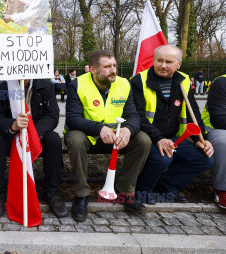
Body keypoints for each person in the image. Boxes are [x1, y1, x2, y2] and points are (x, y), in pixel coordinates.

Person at [65, 49, 151, 222]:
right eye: (107, 67)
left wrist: (128, 130)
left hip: (116, 138)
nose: (113, 70)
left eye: (114, 66)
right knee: (74, 139)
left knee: (143, 139)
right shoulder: (77, 84)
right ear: (93, 69)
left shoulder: (124, 84)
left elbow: (133, 114)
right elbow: (73, 119)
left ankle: (125, 191)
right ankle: (81, 194)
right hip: (89, 136)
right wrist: (99, 129)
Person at [132, 45, 214, 204]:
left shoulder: (183, 80)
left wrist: (201, 139)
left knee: (205, 159)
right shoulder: (138, 81)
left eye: (168, 61)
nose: (163, 65)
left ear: (179, 64)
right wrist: (159, 138)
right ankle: (142, 190)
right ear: (154, 61)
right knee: (163, 159)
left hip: (176, 137)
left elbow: (193, 113)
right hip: (148, 137)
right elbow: (137, 117)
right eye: (159, 60)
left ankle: (165, 186)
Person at [0, 79, 67, 219]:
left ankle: (52, 191)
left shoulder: (45, 85)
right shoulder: (2, 86)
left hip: (37, 133)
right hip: (11, 133)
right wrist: (13, 125)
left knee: (54, 140)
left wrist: (33, 133)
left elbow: (53, 115)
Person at [201, 74, 226, 209]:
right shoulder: (222, 82)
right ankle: (223, 190)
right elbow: (219, 119)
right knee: (223, 141)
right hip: (217, 129)